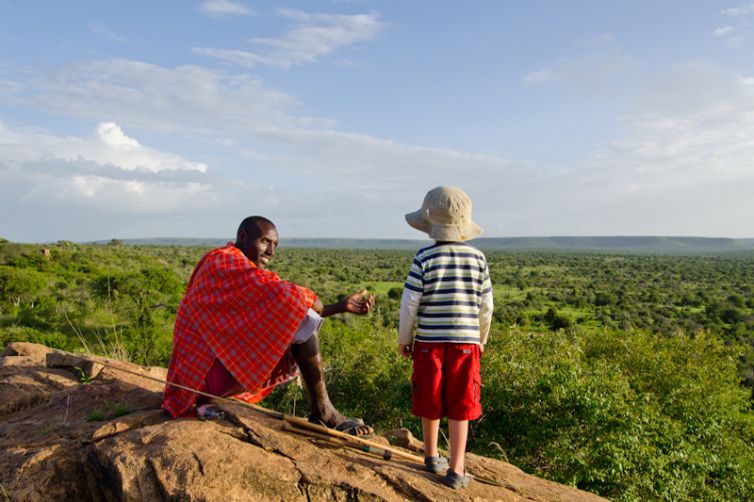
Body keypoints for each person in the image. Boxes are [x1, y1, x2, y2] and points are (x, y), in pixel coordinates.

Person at [162, 215, 375, 436]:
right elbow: (288, 296)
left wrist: (340, 306)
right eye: (265, 242)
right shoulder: (222, 262)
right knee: (299, 319)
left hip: (213, 374)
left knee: (294, 318)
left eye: (275, 245)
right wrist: (333, 305)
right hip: (198, 382)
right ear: (243, 237)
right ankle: (324, 413)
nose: (271, 252)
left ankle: (322, 413)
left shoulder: (238, 267)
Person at [398, 186, 494, 488]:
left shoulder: (424, 257)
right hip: (466, 344)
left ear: (430, 223)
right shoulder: (478, 259)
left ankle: (430, 456)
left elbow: (409, 303)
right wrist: (481, 339)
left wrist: (405, 338)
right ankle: (456, 469)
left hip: (428, 344)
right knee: (460, 405)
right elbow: (486, 306)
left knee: (430, 397)